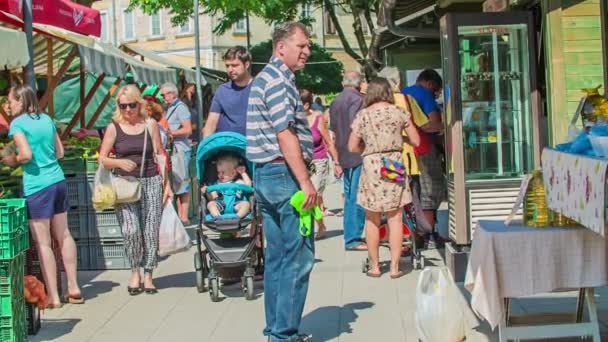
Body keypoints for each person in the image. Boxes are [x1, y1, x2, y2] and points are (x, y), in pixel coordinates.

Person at [247, 21, 315, 342]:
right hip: (283, 175)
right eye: (301, 46)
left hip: (267, 174)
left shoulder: (268, 78)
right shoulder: (276, 80)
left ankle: (275, 329)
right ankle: (283, 335)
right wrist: (306, 182)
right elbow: (284, 133)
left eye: (307, 46)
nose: (307, 51)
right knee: (298, 258)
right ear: (281, 47)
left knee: (276, 258)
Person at [1, 85, 83, 308]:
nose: (9, 105)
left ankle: (55, 297)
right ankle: (73, 286)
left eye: (11, 100)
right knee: (64, 235)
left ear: (21, 100)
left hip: (37, 186)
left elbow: (26, 155)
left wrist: (12, 160)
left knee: (44, 243)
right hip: (58, 181)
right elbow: (60, 153)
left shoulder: (17, 124)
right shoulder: (46, 119)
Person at [99, 85, 173, 295]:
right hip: (124, 184)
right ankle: (134, 270)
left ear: (139, 104)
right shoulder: (114, 127)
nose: (128, 110)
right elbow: (102, 158)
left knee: (150, 230)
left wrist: (166, 185)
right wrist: (120, 163)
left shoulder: (150, 124)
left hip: (150, 180)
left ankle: (148, 273)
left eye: (132, 105)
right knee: (131, 230)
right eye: (123, 106)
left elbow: (160, 155)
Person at [347, 77, 420, 278]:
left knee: (372, 217)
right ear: (388, 92)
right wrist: (400, 138)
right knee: (395, 216)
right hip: (393, 162)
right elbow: (416, 140)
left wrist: (368, 147)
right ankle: (396, 267)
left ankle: (376, 266)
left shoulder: (363, 115)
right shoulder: (399, 112)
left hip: (372, 165)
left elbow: (352, 146)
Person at [401, 69, 445, 240]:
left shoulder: (404, 93)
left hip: (405, 153)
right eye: (437, 90)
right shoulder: (425, 94)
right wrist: (448, 125)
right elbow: (432, 124)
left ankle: (414, 233)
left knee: (414, 193)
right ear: (428, 83)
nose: (437, 94)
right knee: (431, 189)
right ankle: (428, 233)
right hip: (423, 149)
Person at [329, 71, 367, 251]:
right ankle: (353, 237)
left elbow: (334, 130)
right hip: (357, 153)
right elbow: (357, 126)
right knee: (357, 197)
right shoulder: (359, 99)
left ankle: (350, 235)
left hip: (343, 154)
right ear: (359, 83)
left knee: (349, 197)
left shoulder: (336, 101)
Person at [300, 88, 341, 240]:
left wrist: (337, 163)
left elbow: (328, 142)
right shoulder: (294, 119)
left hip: (318, 160)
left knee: (314, 194)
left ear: (306, 105)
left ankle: (319, 225)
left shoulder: (318, 118)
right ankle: (311, 225)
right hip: (301, 162)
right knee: (303, 196)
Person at [202, 46, 252, 138]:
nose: (230, 70)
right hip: (228, 147)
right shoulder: (222, 91)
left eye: (234, 65)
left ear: (246, 65)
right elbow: (211, 125)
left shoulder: (259, 88)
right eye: (227, 66)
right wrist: (205, 148)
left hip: (255, 147)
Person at [160, 82, 192, 223]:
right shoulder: (169, 108)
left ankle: (184, 217)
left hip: (180, 149)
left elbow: (187, 129)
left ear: (172, 94)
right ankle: (179, 216)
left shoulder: (181, 108)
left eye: (164, 94)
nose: (162, 97)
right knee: (176, 183)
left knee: (182, 182)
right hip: (174, 150)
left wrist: (170, 133)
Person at [202, 154, 252, 219]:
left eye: (223, 172)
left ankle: (237, 217)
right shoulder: (217, 183)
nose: (220, 175)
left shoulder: (238, 182)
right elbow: (212, 197)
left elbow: (248, 186)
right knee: (210, 204)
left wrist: (243, 173)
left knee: (246, 204)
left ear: (233, 173)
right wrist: (207, 190)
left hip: (236, 204)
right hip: (221, 205)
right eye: (218, 172)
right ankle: (217, 216)